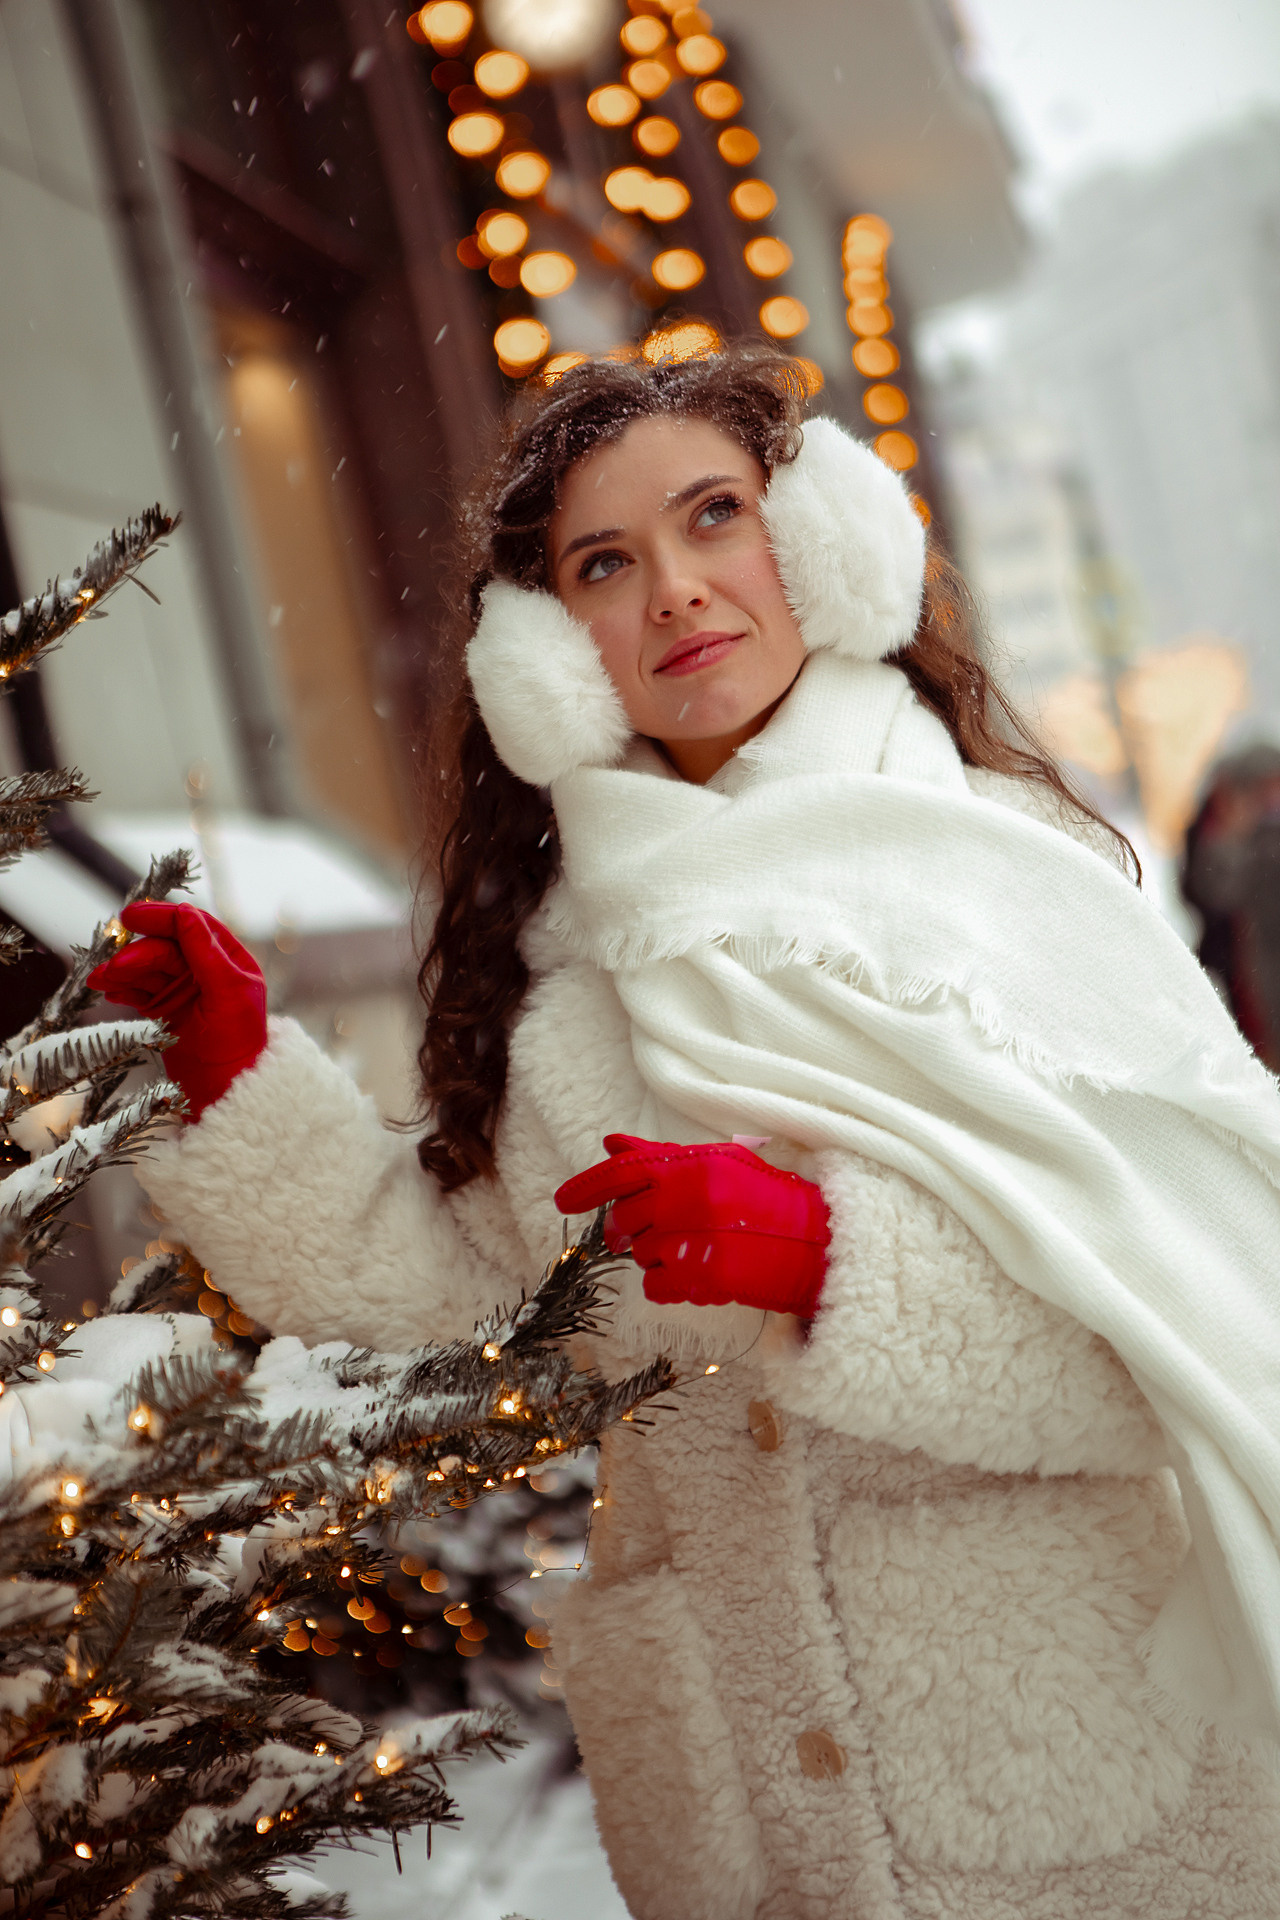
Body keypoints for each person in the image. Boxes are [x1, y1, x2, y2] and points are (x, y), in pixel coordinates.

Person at [91, 346, 1280, 1919]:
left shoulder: (1015, 873)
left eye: (713, 517)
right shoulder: (568, 961)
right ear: (547, 647)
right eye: (605, 562)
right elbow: (465, 1295)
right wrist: (233, 1078)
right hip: (750, 1804)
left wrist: (822, 1262)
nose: (675, 592)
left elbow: (1197, 1312)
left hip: (1069, 1777)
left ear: (821, 541)